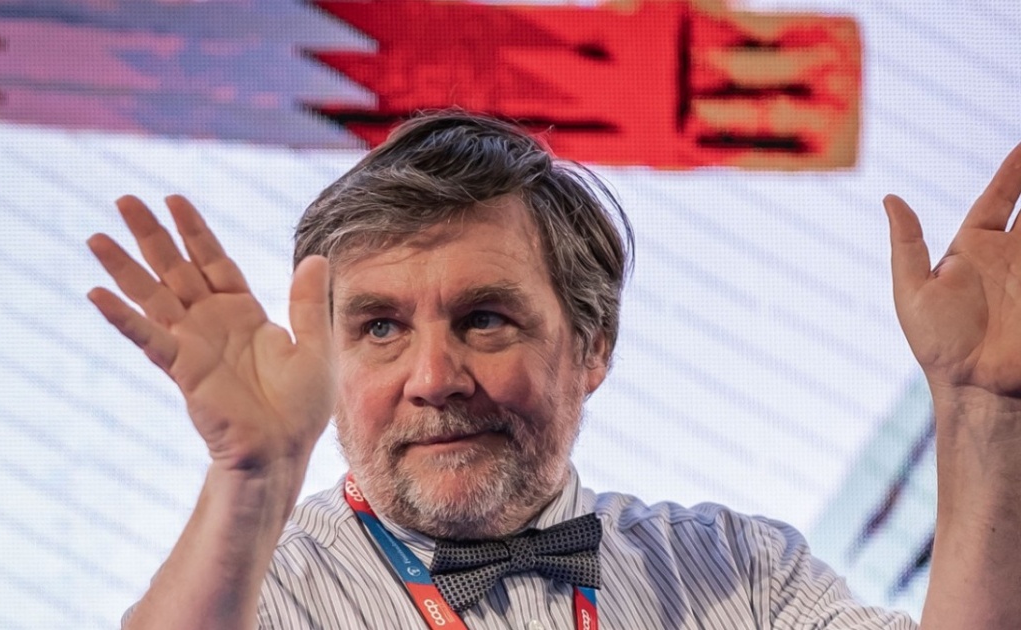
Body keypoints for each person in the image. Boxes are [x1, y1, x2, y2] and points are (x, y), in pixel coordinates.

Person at [89, 112, 1021, 629]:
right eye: (379, 329)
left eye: (485, 319)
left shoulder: (740, 576)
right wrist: (251, 480)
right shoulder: (256, 595)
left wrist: (983, 410)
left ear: (592, 344)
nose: (434, 376)